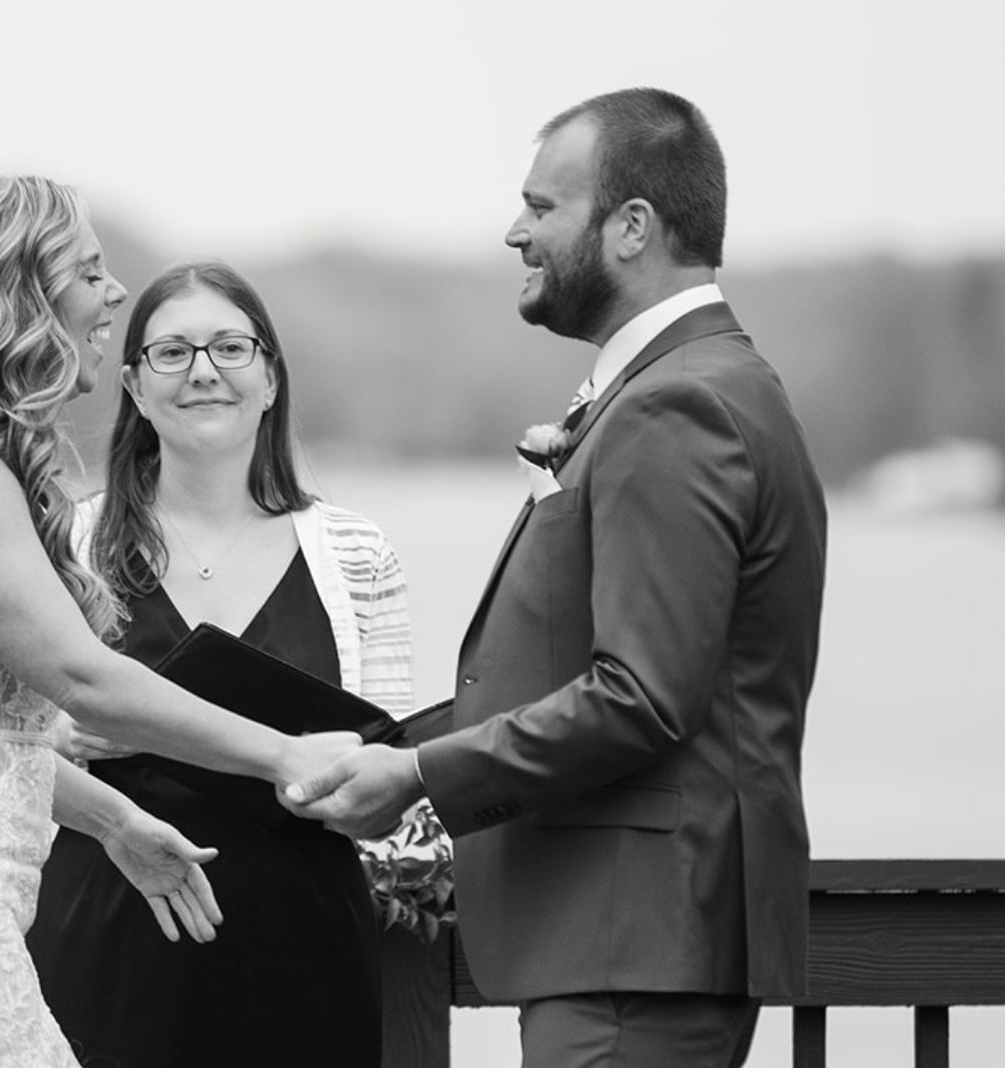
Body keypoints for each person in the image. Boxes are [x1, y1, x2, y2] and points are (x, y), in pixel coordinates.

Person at [286, 88, 827, 1068]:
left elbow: (642, 699)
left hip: (636, 956)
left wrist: (412, 777)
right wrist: (374, 746)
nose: (514, 232)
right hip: (632, 952)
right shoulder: (687, 386)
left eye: (541, 207)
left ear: (631, 228)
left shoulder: (680, 407)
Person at [0, 178, 357, 1068]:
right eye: (89, 270)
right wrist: (286, 752)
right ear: (19, 299)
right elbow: (82, 677)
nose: (116, 293)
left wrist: (114, 822)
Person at [26, 259, 414, 1068]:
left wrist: (339, 779)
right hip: (100, 935)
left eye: (231, 348)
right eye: (173, 353)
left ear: (270, 378)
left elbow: (390, 784)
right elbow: (2, 745)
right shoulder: (62, 547)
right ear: (133, 386)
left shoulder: (356, 554)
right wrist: (66, 738)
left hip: (302, 952)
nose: (204, 372)